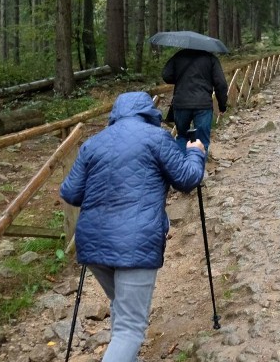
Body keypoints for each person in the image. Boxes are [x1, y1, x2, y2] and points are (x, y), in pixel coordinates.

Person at [59, 91, 206, 362]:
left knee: (121, 307)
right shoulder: (157, 137)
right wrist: (196, 155)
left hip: (92, 243)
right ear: (149, 112)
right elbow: (186, 179)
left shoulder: (93, 144)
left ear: (116, 112)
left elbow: (70, 193)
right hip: (135, 243)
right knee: (130, 329)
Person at [162, 49, 228, 152]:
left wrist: (181, 78)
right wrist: (222, 105)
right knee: (202, 140)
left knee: (182, 136)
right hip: (203, 104)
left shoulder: (179, 55)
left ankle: (182, 166)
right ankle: (197, 166)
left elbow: (166, 76)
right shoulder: (210, 58)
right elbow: (221, 84)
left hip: (181, 103)